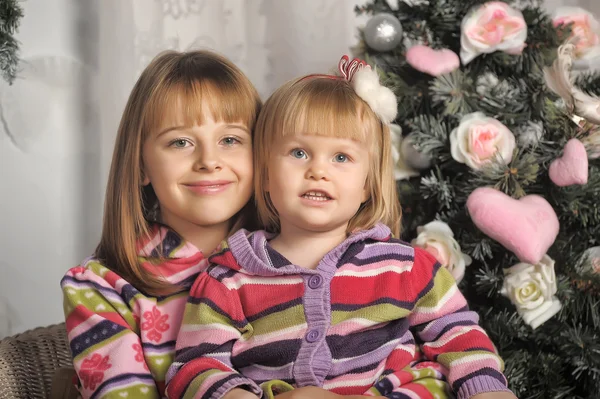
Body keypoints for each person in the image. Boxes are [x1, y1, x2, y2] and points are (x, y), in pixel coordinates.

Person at [165, 56, 516, 399]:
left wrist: (487, 389)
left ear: (367, 184)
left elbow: (459, 334)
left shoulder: (404, 266)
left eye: (341, 158)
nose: (319, 171)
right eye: (299, 153)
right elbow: (195, 366)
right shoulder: (228, 279)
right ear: (267, 174)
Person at [60, 49, 261, 398]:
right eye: (180, 142)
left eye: (230, 140)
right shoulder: (102, 288)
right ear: (141, 166)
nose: (209, 161)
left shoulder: (295, 263)